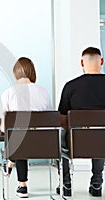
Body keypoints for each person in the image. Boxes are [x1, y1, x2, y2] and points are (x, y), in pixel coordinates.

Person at [0, 57, 52, 198]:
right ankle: (12, 164)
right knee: (24, 135)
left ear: (15, 73)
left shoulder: (8, 93)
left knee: (18, 136)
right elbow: (51, 122)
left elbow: (3, 129)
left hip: (19, 146)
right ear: (32, 71)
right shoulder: (43, 92)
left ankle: (22, 184)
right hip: (43, 145)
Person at [57, 47, 105, 197]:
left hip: (76, 142)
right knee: (100, 134)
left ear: (81, 63)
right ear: (101, 62)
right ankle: (97, 182)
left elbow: (63, 120)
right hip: (103, 142)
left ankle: (66, 183)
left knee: (62, 136)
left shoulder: (71, 86)